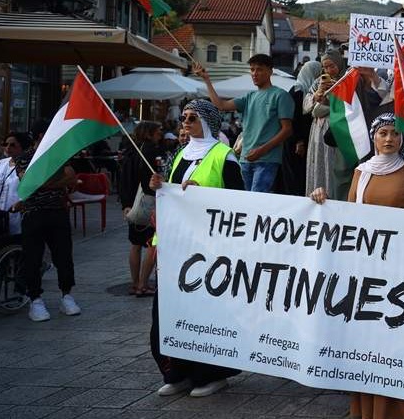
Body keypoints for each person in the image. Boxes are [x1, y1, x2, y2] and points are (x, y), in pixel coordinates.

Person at [311, 112, 404, 419]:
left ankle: (401, 408)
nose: (389, 138)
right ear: (374, 138)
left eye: (394, 133)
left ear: (401, 139)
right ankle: (369, 408)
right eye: (383, 133)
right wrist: (322, 201)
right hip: (367, 268)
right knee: (369, 338)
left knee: (395, 337)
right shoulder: (360, 172)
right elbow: (350, 216)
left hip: (401, 270)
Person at [148, 99, 244, 398]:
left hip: (209, 248)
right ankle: (178, 371)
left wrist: (205, 197)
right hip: (175, 245)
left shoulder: (223, 156)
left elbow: (241, 202)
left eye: (192, 117)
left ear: (208, 122)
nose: (185, 122)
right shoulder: (180, 154)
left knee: (206, 313)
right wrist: (159, 185)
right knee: (168, 311)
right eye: (184, 117)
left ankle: (211, 374)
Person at [194, 54, 293, 192]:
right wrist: (206, 79)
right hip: (245, 158)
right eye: (252, 70)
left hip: (267, 159)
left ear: (270, 71)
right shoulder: (249, 96)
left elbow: (287, 130)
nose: (254, 73)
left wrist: (261, 150)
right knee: (245, 201)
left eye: (259, 69)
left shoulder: (281, 95)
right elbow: (221, 105)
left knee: (256, 202)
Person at [15, 154, 80, 322]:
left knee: (64, 256)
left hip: (58, 211)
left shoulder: (58, 152)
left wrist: (44, 183)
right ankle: (35, 299)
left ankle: (67, 296)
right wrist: (56, 181)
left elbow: (71, 176)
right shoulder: (26, 157)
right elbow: (29, 181)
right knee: (33, 258)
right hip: (33, 213)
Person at [119, 121, 162, 296]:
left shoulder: (131, 150)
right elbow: (152, 180)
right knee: (154, 243)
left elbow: (123, 180)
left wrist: (125, 204)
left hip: (132, 205)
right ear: (149, 133)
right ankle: (143, 285)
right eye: (158, 132)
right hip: (149, 204)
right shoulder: (151, 151)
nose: (160, 134)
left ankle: (135, 283)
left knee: (135, 244)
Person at [280, 59, 318, 197]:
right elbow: (295, 118)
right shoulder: (298, 91)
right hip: (296, 143)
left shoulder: (305, 91)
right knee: (296, 176)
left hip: (299, 141)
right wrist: (299, 140)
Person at [304, 54, 340, 198]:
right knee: (317, 162)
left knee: (332, 164)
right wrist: (317, 95)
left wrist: (324, 105)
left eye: (332, 66)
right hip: (318, 130)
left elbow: (345, 105)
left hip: (336, 129)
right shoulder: (317, 82)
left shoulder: (345, 80)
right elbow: (306, 107)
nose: (328, 70)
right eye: (325, 67)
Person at [0, 132, 32, 235]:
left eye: (12, 145)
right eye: (6, 144)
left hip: (17, 215)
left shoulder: (28, 166)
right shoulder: (2, 163)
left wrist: (21, 203)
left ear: (23, 146)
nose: (7, 148)